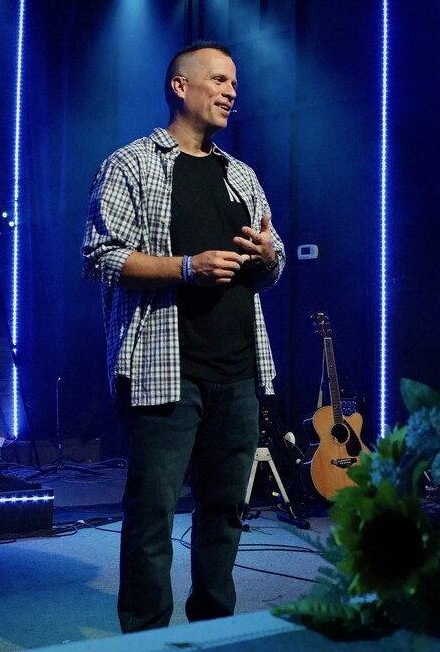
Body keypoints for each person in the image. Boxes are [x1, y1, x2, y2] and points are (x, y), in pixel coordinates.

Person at [82, 40, 285, 633]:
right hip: (163, 371)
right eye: (219, 80)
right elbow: (101, 257)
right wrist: (187, 267)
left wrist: (268, 255)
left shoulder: (241, 175)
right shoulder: (130, 165)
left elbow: (272, 266)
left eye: (234, 84)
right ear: (180, 86)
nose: (231, 92)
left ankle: (213, 633)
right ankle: (145, 640)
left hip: (239, 372)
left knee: (225, 512)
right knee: (152, 515)